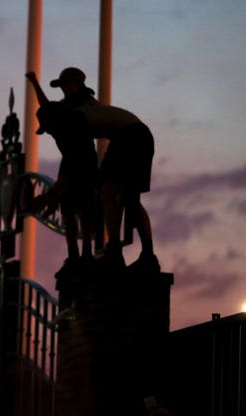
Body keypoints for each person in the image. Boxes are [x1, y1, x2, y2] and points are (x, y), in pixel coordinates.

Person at [48, 67, 159, 272]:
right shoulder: (83, 108)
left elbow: (74, 156)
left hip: (127, 137)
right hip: (141, 136)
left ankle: (115, 252)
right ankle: (147, 254)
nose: (62, 90)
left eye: (65, 85)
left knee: (108, 192)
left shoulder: (75, 115)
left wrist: (56, 191)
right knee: (130, 199)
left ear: (76, 84)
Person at [26, 71, 98, 278]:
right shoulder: (60, 111)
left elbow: (70, 173)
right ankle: (75, 255)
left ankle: (84, 254)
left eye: (66, 84)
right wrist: (34, 83)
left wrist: (50, 197)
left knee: (83, 208)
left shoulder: (83, 107)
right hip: (71, 161)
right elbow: (45, 104)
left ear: (76, 84)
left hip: (83, 162)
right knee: (68, 210)